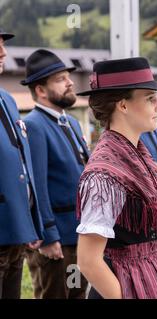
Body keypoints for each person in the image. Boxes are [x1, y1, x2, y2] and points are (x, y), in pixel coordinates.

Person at [75, 57, 157, 299]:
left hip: (153, 277)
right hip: (128, 284)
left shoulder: (138, 154)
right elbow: (88, 261)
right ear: (123, 106)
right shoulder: (104, 173)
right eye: (150, 98)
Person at [22, 49, 89, 299]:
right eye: (61, 79)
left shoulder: (69, 121)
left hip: (79, 231)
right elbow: (37, 186)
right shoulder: (34, 125)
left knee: (77, 294)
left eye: (67, 77)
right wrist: (48, 235)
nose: (70, 82)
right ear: (41, 90)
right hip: (58, 238)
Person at [0, 28, 44, 299]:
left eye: (3, 44)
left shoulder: (7, 98)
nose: (3, 52)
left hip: (15, 232)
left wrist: (31, 221)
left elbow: (21, 165)